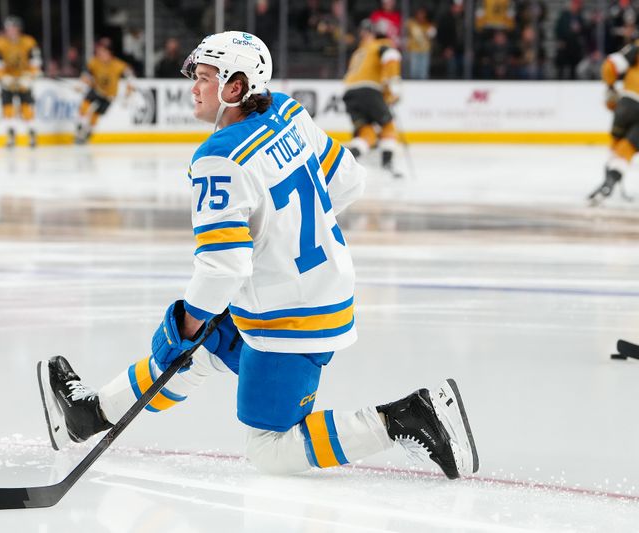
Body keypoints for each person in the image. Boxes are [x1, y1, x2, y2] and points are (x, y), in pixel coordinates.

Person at [38, 31, 479, 479]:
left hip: (287, 312)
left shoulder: (219, 156)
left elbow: (224, 263)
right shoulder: (286, 110)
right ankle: (90, 415)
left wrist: (187, 324)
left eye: (205, 78)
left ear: (235, 87)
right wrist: (280, 246)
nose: (194, 87)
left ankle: (405, 419)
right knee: (201, 350)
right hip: (315, 287)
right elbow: (348, 181)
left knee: (268, 449)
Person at [343, 19, 403, 177]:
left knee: (366, 133)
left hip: (350, 93)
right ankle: (387, 164)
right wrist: (394, 84)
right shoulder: (380, 45)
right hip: (368, 90)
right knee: (388, 126)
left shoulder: (357, 53)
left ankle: (344, 159)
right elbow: (392, 55)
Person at [589, 40, 639, 204]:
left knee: (616, 146)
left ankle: (607, 182)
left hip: (626, 104)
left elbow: (609, 65)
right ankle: (609, 184)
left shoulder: (636, 47)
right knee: (626, 150)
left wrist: (610, 88)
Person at [0, 16, 41, 148]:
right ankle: (11, 136)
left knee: (26, 108)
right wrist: (3, 77)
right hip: (8, 79)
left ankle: (31, 135)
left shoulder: (28, 42)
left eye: (13, 28)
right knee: (7, 109)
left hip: (24, 77)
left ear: (19, 29)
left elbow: (35, 62)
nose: (11, 31)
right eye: (8, 29)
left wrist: (29, 76)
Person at [74, 37, 134, 145]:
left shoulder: (118, 65)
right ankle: (80, 128)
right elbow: (86, 74)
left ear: (109, 53)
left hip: (109, 96)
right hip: (96, 90)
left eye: (102, 52)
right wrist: (81, 84)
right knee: (84, 107)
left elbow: (130, 77)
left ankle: (87, 133)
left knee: (95, 115)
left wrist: (128, 92)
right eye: (98, 52)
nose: (99, 54)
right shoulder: (95, 62)